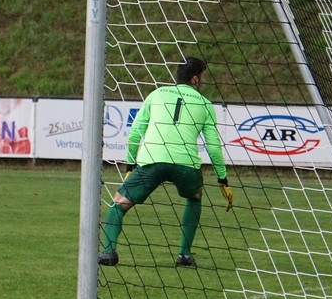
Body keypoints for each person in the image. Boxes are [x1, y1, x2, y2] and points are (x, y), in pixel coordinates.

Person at [98, 57, 233, 268]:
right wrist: (222, 180)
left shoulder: (157, 94)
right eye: (204, 76)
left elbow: (135, 133)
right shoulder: (205, 104)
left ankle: (108, 252)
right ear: (195, 79)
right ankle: (184, 256)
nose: (204, 81)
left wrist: (130, 166)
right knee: (195, 196)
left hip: (153, 160)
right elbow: (214, 147)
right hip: (186, 164)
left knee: (118, 203)